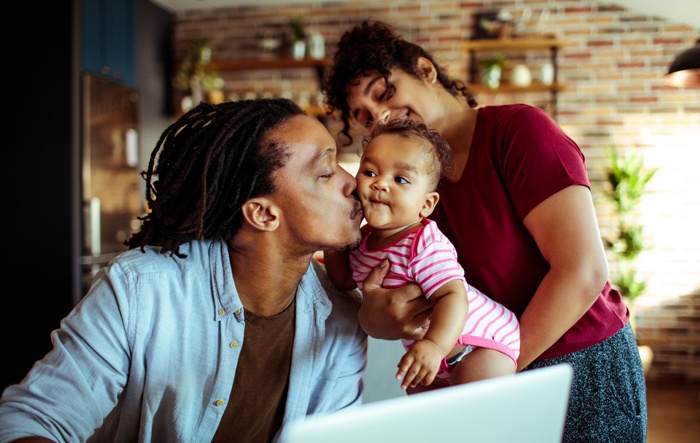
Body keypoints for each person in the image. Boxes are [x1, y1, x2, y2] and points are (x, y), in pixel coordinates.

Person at [322, 20, 647, 442]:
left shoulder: (519, 133)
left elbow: (582, 272)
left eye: (384, 93)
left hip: (578, 365)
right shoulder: (402, 194)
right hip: (479, 372)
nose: (380, 115)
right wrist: (377, 319)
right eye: (363, 116)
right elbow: (402, 292)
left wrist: (496, 375)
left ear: (425, 70)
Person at [0, 98, 367, 443]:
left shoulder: (344, 316)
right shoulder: (139, 291)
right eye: (325, 172)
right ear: (263, 214)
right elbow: (30, 420)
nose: (353, 183)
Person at [324, 119, 520, 391]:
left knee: (470, 417)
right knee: (428, 421)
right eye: (369, 172)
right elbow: (343, 280)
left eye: (400, 179)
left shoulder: (423, 242)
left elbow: (453, 295)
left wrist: (434, 345)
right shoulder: (361, 241)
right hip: (427, 353)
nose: (380, 184)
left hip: (479, 343)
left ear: (426, 204)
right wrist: (334, 239)